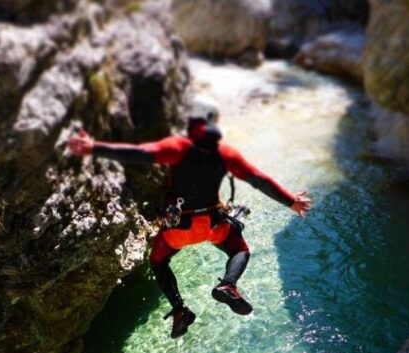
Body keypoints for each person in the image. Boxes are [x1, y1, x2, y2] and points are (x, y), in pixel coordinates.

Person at [68, 114, 312, 338]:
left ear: (192, 133)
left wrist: (94, 147)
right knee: (240, 251)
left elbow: (140, 153)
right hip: (213, 226)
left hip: (178, 231)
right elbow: (258, 179)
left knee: (158, 262)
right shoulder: (225, 154)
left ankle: (179, 310)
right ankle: (228, 284)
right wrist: (291, 201)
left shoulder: (179, 147)